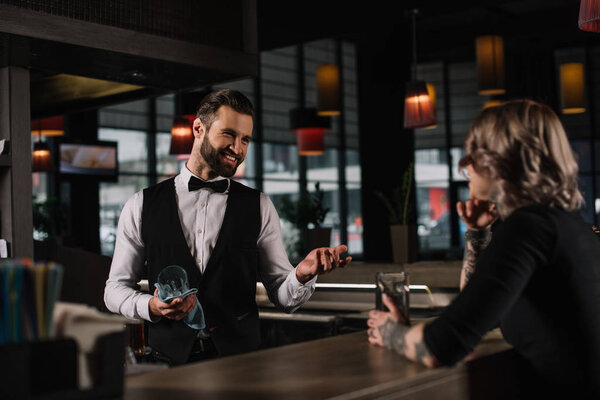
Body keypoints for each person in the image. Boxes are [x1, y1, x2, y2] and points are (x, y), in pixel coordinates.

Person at [367, 99, 600, 395]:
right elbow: (476, 305)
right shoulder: (568, 225)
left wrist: (390, 333)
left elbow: (442, 346)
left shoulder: (528, 227)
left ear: (499, 160)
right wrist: (477, 233)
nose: (465, 165)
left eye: (473, 153)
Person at [105, 89, 351, 365]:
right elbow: (114, 290)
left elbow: (284, 297)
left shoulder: (259, 205)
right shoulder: (140, 204)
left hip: (240, 364)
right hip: (167, 365)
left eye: (246, 139)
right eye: (229, 135)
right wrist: (150, 306)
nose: (239, 148)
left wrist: (302, 275)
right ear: (199, 128)